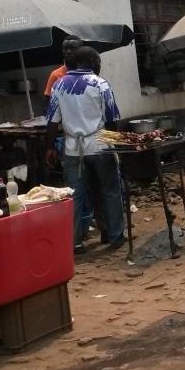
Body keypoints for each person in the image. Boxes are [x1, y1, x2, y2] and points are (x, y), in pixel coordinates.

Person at [45, 46, 126, 254]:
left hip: (73, 149)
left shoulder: (59, 85)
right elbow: (111, 120)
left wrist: (50, 147)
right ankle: (115, 236)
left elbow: (52, 122)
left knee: (75, 196)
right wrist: (115, 144)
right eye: (98, 60)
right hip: (100, 146)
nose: (99, 64)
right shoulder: (101, 84)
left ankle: (75, 242)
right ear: (91, 61)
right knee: (109, 191)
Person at [44, 35, 82, 103]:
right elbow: (47, 103)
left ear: (81, 49)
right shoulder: (55, 75)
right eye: (65, 48)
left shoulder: (88, 72)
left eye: (72, 48)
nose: (68, 51)